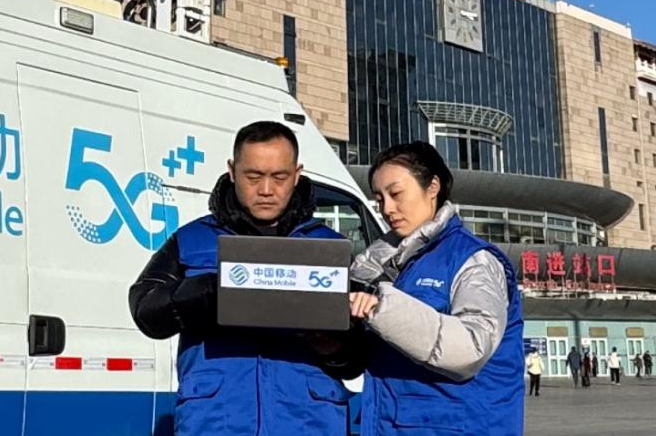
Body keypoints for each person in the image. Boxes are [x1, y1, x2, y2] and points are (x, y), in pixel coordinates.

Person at [128, 121, 361, 435]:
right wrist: (209, 293)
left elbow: (359, 357)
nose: (266, 189)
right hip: (217, 421)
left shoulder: (331, 248)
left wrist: (335, 348)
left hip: (308, 421)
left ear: (297, 174)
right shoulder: (192, 239)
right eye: (253, 176)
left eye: (279, 177)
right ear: (232, 171)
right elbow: (146, 308)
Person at [348, 142, 524, 436]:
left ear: (432, 187)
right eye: (379, 198)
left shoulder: (473, 260)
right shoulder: (378, 268)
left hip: (458, 427)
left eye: (396, 194)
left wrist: (383, 309)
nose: (387, 209)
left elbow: (471, 346)